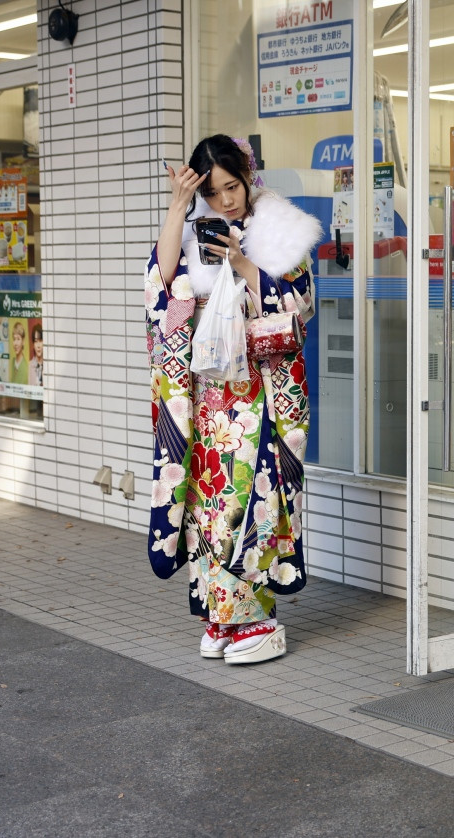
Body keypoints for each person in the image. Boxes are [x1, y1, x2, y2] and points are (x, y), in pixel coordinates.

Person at [146, 134, 320, 665]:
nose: (227, 200)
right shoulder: (196, 232)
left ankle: (260, 619)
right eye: (214, 191)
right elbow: (160, 289)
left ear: (248, 179)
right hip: (207, 401)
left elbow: (299, 307)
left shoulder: (280, 232)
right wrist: (179, 205)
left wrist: (245, 266)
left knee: (251, 503)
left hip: (258, 399)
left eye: (233, 186)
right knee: (207, 507)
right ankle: (219, 615)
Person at [10, 320, 28, 385]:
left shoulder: (26, 367)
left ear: (23, 341)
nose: (15, 343)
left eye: (18, 339)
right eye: (14, 339)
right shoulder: (12, 362)